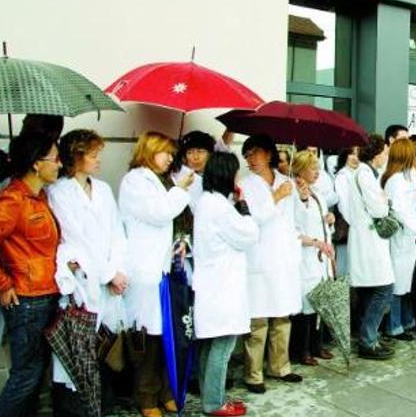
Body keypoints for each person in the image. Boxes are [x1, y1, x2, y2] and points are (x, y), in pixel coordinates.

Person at [47, 130, 128, 416]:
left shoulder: (104, 189)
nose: (98, 160)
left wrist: (118, 270)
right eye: (93, 155)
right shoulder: (58, 192)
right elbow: (76, 238)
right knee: (77, 351)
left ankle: (101, 405)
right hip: (82, 283)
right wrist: (108, 273)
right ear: (75, 157)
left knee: (105, 346)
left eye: (98, 155)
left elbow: (117, 232)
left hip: (108, 283)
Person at [118, 131, 192, 417]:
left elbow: (170, 223)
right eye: (167, 153)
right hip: (144, 269)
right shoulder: (135, 181)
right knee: (148, 338)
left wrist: (180, 243)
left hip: (162, 268)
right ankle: (147, 396)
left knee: (166, 336)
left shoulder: (160, 181)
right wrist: (181, 190)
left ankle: (166, 391)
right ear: (150, 150)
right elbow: (160, 213)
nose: (171, 159)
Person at [0, 132, 61, 417]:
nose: (59, 164)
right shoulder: (12, 201)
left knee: (35, 373)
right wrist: (1, 283)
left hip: (44, 293)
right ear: (36, 163)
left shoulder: (39, 197)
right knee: (26, 374)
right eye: (55, 159)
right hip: (26, 298)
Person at [192, 152, 259, 417]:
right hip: (223, 285)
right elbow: (249, 234)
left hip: (213, 283)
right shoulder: (220, 207)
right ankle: (214, 403)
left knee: (211, 345)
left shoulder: (208, 202)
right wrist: (244, 208)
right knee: (223, 345)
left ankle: (212, 397)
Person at [240, 135, 304, 394]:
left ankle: (280, 366)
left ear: (268, 154)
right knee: (258, 320)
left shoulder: (285, 180)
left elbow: (296, 218)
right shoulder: (244, 185)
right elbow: (253, 219)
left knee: (282, 314)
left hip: (283, 257)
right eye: (247, 155)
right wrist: (276, 196)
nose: (251, 159)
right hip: (258, 257)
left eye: (255, 153)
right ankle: (253, 373)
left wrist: (303, 195)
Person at [347, 134, 395, 359]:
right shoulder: (365, 175)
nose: (386, 156)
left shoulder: (366, 174)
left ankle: (370, 338)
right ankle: (367, 339)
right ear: (376, 153)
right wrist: (385, 201)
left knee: (369, 291)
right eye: (385, 152)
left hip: (367, 240)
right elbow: (378, 210)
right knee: (384, 289)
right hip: (368, 241)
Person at [382, 140, 416, 341]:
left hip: (409, 238)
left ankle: (406, 321)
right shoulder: (395, 180)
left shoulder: (406, 177)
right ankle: (394, 327)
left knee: (406, 284)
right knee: (397, 285)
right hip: (400, 238)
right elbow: (401, 213)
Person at [291, 150, 336, 366]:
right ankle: (302, 349)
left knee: (320, 301)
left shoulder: (317, 192)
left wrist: (330, 219)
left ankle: (317, 345)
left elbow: (323, 223)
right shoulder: (293, 193)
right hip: (306, 255)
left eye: (318, 168)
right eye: (312, 168)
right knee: (306, 303)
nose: (317, 172)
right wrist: (315, 242)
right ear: (299, 170)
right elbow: (294, 228)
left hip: (321, 256)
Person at [333, 146, 360, 276]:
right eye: (352, 154)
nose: (356, 158)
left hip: (357, 227)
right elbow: (344, 206)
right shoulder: (342, 176)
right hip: (346, 228)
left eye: (358, 154)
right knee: (344, 269)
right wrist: (356, 224)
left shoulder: (358, 174)